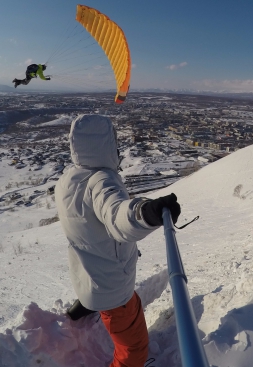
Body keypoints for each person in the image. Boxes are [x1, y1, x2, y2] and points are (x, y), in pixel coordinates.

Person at [55, 114, 181, 367]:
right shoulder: (101, 180)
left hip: (88, 272)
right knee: (133, 347)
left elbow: (90, 226)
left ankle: (90, 304)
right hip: (113, 288)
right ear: (106, 144)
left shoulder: (68, 179)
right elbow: (116, 214)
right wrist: (146, 214)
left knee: (120, 307)